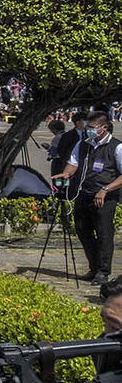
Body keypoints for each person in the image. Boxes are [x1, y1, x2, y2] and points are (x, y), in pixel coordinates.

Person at [54, 112, 122, 292]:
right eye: (87, 128)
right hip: (84, 193)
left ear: (103, 128)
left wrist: (106, 189)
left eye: (92, 128)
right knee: (82, 229)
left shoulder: (117, 147)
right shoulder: (83, 144)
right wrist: (66, 173)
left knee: (104, 233)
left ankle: (103, 271)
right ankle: (94, 266)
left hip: (104, 196)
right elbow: (73, 163)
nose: (88, 131)